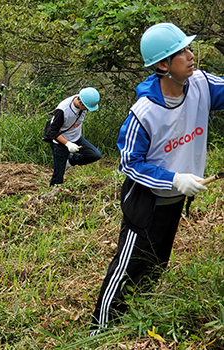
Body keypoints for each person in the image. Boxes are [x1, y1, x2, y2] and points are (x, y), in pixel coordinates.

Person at [90, 22, 224, 335]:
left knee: (156, 263)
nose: (192, 56)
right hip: (147, 203)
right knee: (129, 267)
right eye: (182, 52)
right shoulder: (144, 112)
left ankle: (137, 316)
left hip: (175, 200)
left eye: (189, 48)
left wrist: (179, 187)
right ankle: (100, 330)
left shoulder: (201, 84)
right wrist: (174, 179)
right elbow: (130, 163)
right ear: (163, 65)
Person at [46, 87, 102, 186]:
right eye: (86, 108)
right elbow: (52, 132)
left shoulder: (84, 101)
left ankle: (70, 161)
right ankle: (53, 195)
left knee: (95, 155)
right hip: (60, 142)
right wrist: (67, 144)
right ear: (80, 102)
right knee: (58, 177)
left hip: (76, 138)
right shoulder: (63, 110)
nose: (87, 110)